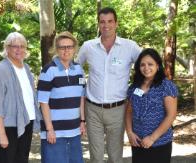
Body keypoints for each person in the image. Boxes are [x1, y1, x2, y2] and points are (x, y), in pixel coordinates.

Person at [76, 7, 142, 163]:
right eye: (102, 22)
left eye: (110, 21)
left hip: (118, 110)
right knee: (96, 156)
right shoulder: (88, 46)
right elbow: (75, 69)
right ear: (98, 24)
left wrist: (138, 90)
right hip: (92, 109)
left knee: (115, 155)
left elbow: (147, 66)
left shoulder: (130, 47)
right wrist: (80, 88)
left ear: (116, 23)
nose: (106, 25)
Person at [0, 32, 41, 163]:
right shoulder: (0, 70)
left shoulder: (26, 68)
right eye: (15, 46)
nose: (19, 49)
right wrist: (1, 134)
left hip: (25, 122)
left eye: (22, 46)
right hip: (7, 126)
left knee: (22, 159)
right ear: (7, 48)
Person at [37, 31, 86, 163]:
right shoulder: (48, 71)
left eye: (69, 47)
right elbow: (43, 102)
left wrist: (82, 121)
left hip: (75, 131)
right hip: (55, 132)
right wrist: (50, 129)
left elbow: (81, 97)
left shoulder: (78, 69)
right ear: (56, 49)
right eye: (62, 47)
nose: (66, 50)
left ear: (74, 48)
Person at [125, 48, 178, 163]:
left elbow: (171, 115)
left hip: (159, 143)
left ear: (158, 66)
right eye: (142, 65)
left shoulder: (166, 86)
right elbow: (129, 111)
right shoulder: (134, 87)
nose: (146, 68)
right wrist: (129, 132)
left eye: (150, 64)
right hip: (137, 142)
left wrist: (152, 138)